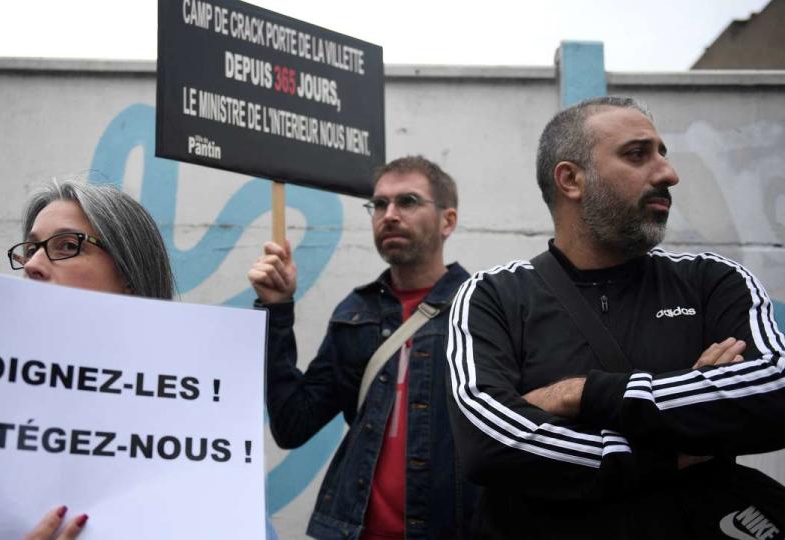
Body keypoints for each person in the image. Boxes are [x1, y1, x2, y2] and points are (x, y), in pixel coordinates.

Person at [445, 96, 785, 537]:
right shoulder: (494, 295)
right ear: (571, 179)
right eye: (637, 154)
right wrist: (682, 425)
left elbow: (775, 388)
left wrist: (580, 394)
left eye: (663, 153)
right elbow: (491, 444)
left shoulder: (712, 282)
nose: (668, 173)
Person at [248, 156, 480, 539]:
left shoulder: (481, 310)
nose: (389, 214)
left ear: (447, 220)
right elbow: (293, 424)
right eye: (379, 204)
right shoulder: (355, 313)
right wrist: (277, 309)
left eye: (407, 201)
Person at [8, 180, 175, 539]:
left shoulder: (192, 417)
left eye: (67, 246)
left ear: (129, 274)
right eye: (30, 249)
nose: (33, 265)